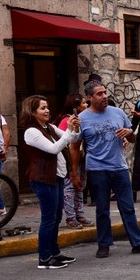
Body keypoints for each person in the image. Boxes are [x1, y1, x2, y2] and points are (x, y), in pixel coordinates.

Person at [70, 80, 140, 258]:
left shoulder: (117, 112)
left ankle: (138, 242)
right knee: (102, 209)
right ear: (89, 97)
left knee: (128, 207)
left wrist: (130, 133)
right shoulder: (83, 118)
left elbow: (132, 138)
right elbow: (74, 146)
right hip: (97, 169)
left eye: (105, 92)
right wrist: (74, 172)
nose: (104, 96)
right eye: (99, 94)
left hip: (119, 167)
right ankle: (104, 244)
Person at [21, 95, 81, 269]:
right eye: (42, 108)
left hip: (57, 178)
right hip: (43, 179)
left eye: (47, 107)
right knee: (48, 219)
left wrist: (74, 129)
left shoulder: (50, 128)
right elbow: (54, 149)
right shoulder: (31, 132)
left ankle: (55, 253)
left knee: (56, 218)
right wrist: (69, 131)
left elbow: (73, 139)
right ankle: (44, 258)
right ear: (32, 112)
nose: (47, 111)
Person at [57, 93, 92, 229]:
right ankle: (70, 217)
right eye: (83, 103)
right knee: (70, 187)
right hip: (70, 160)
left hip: (81, 158)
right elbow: (66, 142)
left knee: (80, 186)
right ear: (76, 106)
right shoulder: (67, 121)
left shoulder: (81, 120)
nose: (86, 105)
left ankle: (80, 214)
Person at [0, 105, 10, 218]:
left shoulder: (0, 117)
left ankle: (0, 207)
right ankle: (1, 207)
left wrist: (5, 150)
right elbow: (6, 133)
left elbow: (6, 133)